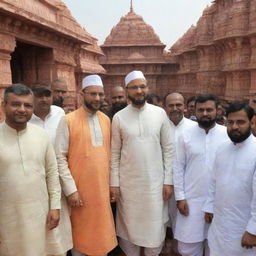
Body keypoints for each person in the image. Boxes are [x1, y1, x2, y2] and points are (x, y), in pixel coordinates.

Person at [110, 70, 175, 256]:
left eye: (142, 86)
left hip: (155, 186)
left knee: (154, 230)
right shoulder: (119, 117)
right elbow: (114, 154)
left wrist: (168, 181)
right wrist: (114, 183)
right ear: (127, 90)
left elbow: (168, 150)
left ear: (147, 88)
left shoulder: (160, 114)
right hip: (128, 186)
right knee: (130, 229)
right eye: (134, 87)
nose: (139, 91)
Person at [55, 74, 117, 256]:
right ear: (82, 95)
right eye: (92, 94)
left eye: (100, 94)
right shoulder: (68, 120)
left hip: (102, 192)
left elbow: (111, 156)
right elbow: (59, 158)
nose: (97, 98)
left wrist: (113, 184)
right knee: (80, 242)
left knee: (101, 238)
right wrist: (71, 190)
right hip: (79, 194)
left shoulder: (106, 120)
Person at [0, 84, 61, 256]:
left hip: (39, 214)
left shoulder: (41, 136)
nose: (22, 109)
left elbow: (52, 173)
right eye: (16, 104)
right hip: (7, 217)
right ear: (3, 106)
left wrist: (55, 206)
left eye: (27, 105)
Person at [173, 94, 228, 256]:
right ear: (194, 111)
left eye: (209, 110)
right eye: (201, 110)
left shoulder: (227, 135)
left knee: (216, 247)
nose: (205, 113)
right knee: (188, 247)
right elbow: (178, 167)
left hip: (220, 202)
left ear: (217, 111)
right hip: (191, 201)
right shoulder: (186, 134)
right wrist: (180, 197)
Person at [203, 101, 256, 256]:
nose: (234, 127)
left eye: (240, 122)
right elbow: (214, 181)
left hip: (244, 226)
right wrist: (209, 206)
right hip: (220, 224)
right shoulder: (222, 149)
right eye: (230, 122)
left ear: (251, 122)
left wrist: (253, 230)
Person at [29, 83, 73, 256]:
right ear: (31, 97)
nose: (44, 99)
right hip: (35, 178)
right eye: (39, 95)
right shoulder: (26, 118)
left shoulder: (60, 114)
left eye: (47, 95)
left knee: (60, 222)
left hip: (60, 176)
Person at [164, 92, 196, 253]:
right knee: (164, 222)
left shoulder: (194, 128)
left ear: (184, 106)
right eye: (171, 105)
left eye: (178, 105)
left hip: (187, 187)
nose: (175, 108)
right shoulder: (160, 127)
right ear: (165, 107)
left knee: (184, 224)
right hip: (163, 186)